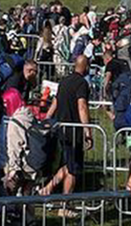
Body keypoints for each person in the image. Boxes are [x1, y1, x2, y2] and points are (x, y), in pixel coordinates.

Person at [40, 56, 92, 209]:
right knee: (73, 169)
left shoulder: (63, 81)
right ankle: (65, 205)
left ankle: (47, 189)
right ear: (86, 66)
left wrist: (47, 119)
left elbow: (55, 102)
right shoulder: (82, 84)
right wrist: (87, 131)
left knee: (69, 163)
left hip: (61, 128)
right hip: (73, 130)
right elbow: (82, 106)